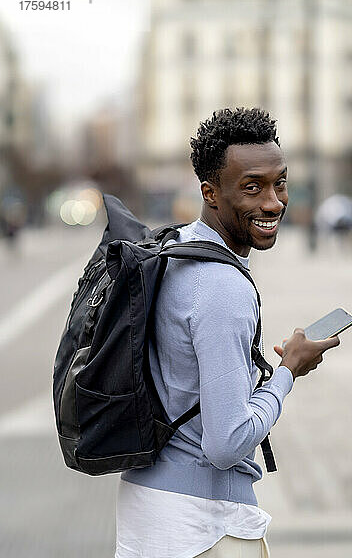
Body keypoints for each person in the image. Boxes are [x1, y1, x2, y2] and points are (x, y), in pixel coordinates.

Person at [115, 108, 339, 558]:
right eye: (252, 187)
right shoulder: (222, 286)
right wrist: (287, 372)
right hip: (203, 524)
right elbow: (226, 442)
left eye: (280, 183)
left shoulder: (174, 249)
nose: (273, 202)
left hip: (148, 511)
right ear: (210, 193)